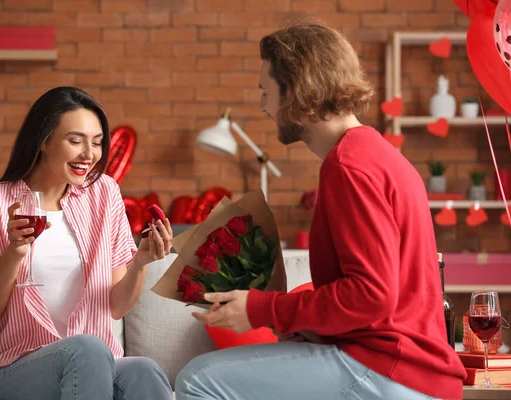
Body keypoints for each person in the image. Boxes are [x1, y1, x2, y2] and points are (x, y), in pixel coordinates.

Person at [175, 22, 467, 400]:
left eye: (267, 91)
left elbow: (371, 295)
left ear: (296, 89)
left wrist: (264, 308)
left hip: (391, 369)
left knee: (197, 380)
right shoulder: (371, 153)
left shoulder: (349, 167)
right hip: (398, 365)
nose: (263, 105)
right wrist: (310, 327)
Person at [0, 87, 174, 400]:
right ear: (43, 141)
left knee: (143, 370)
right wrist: (14, 255)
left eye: (96, 143)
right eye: (75, 140)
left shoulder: (104, 194)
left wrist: (140, 262)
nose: (89, 154)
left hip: (93, 360)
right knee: (86, 349)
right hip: (10, 370)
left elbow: (116, 306)